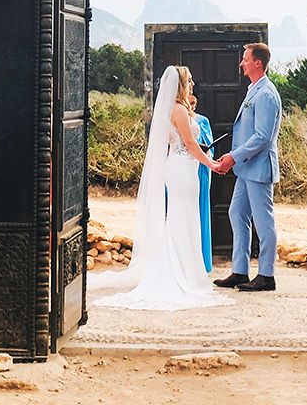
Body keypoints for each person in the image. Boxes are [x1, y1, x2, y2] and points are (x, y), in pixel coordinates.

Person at [96, 65, 229, 309]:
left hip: (182, 169)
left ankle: (188, 271)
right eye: (189, 82)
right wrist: (211, 163)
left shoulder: (176, 109)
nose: (192, 86)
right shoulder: (178, 110)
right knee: (181, 219)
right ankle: (180, 274)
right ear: (180, 86)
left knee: (184, 219)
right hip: (182, 171)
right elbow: (189, 143)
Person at [213, 42, 282, 291]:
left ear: (257, 63)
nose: (241, 63)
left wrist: (233, 156)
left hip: (259, 168)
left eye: (245, 58)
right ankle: (240, 271)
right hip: (246, 168)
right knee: (237, 213)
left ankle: (266, 275)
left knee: (264, 222)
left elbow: (263, 136)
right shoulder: (254, 89)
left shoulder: (266, 94)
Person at [188, 92, 215, 272]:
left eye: (194, 103)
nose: (192, 106)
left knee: (201, 210)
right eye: (189, 102)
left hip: (200, 168)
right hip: (182, 167)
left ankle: (202, 259)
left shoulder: (202, 121)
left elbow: (209, 147)